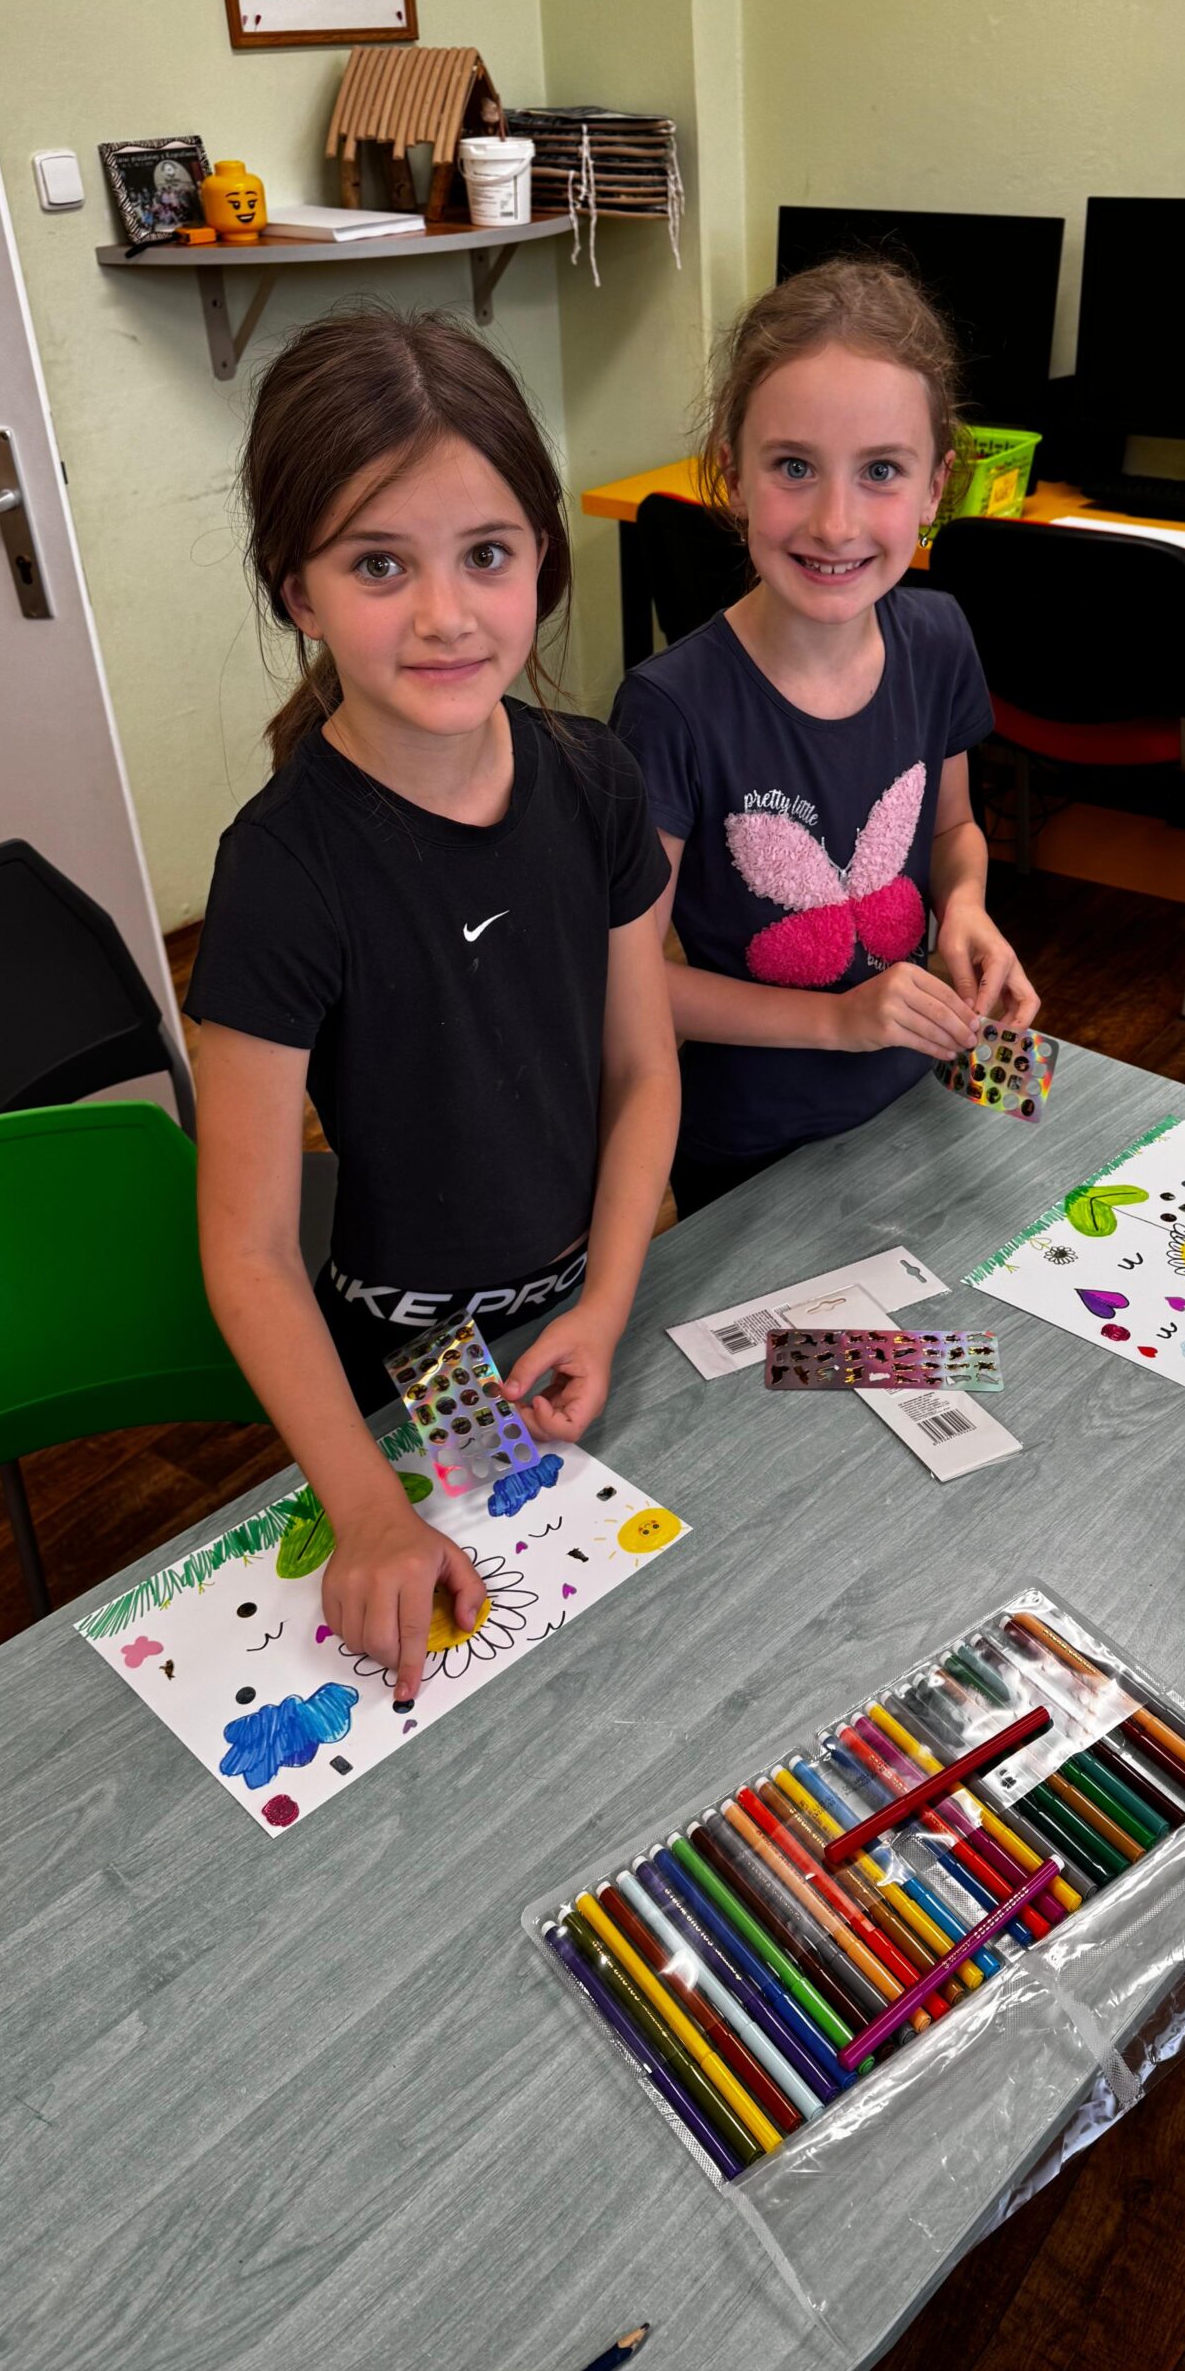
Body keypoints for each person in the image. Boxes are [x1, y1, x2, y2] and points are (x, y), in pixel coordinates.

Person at [186, 306, 678, 1701]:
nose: (447, 615)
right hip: (412, 1364)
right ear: (298, 591)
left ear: (542, 562)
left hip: (590, 1309)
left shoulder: (595, 780)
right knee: (498, 1689)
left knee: (655, 1656)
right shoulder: (283, 871)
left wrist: (607, 1302)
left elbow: (644, 1072)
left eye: (488, 555)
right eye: (379, 564)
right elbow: (249, 1251)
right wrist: (365, 1506)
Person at [612, 258, 1039, 1217]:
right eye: (794, 467)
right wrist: (841, 1021)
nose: (836, 522)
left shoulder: (939, 637)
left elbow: (951, 830)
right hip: (753, 1147)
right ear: (733, 475)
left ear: (936, 488)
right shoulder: (669, 708)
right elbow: (624, 987)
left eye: (880, 471)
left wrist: (966, 908)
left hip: (919, 1089)